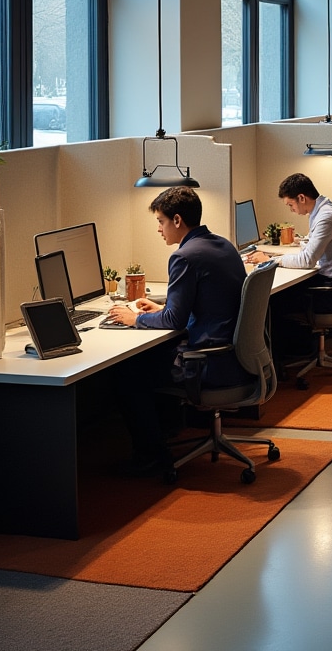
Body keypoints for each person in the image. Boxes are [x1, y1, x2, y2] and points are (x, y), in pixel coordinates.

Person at [107, 186, 247, 475]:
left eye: (161, 221)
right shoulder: (224, 246)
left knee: (127, 372)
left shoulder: (184, 256)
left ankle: (151, 455)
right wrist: (162, 308)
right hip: (235, 357)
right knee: (149, 359)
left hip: (209, 364)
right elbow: (204, 303)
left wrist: (135, 319)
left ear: (178, 220)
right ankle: (168, 432)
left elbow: (174, 321)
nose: (159, 229)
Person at [245, 173, 332, 363]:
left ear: (302, 198)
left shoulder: (326, 217)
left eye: (290, 205)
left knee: (271, 301)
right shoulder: (324, 210)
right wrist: (298, 243)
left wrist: (271, 260)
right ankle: (294, 353)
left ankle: (279, 362)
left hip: (331, 293)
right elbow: (313, 247)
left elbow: (307, 260)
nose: (292, 210)